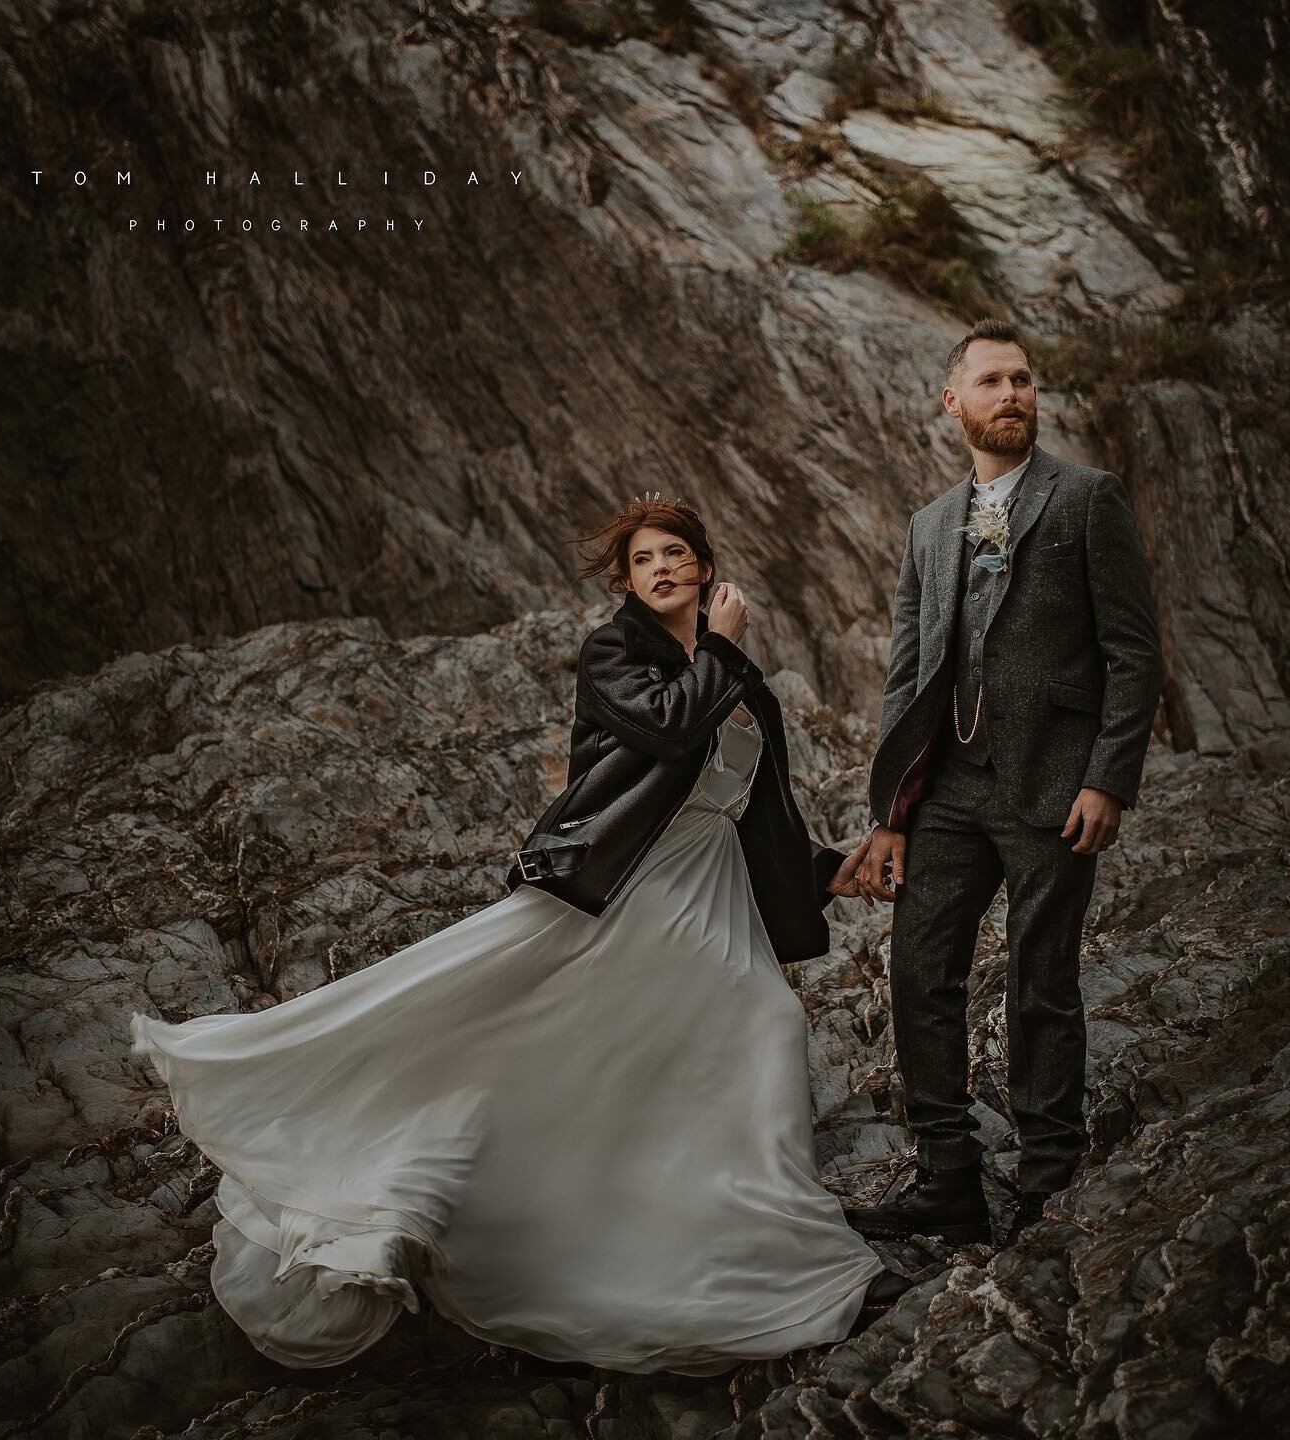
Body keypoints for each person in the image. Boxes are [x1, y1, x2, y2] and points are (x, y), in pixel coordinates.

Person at [129, 492, 911, 1375]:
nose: (659, 569)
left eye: (675, 554)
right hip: (630, 890)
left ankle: (757, 1249)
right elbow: (664, 730)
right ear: (626, 581)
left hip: (711, 888)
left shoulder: (739, 685)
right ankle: (766, 1257)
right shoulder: (619, 652)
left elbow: (747, 809)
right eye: (643, 560)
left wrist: (827, 868)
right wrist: (725, 646)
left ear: (703, 566)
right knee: (723, 1029)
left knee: (741, 1035)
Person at [843, 318, 1163, 1248]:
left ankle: (1049, 1175)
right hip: (946, 791)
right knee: (918, 970)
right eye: (991, 382)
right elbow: (907, 680)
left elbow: (1134, 654)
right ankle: (946, 1173)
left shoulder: (1088, 498)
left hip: (1054, 789)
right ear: (956, 403)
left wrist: (1109, 779)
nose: (1012, 394)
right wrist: (891, 813)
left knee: (1041, 977)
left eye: (1023, 380)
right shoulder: (929, 526)